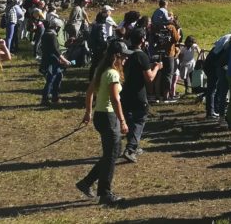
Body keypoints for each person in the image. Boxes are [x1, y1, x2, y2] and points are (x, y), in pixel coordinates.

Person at [77, 41, 132, 206]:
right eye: (123, 57)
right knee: (111, 154)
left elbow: (89, 92)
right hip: (109, 117)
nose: (125, 59)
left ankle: (87, 182)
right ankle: (105, 193)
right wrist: (122, 121)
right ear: (116, 57)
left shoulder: (100, 70)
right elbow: (115, 99)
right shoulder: (113, 74)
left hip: (100, 116)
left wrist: (88, 112)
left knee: (113, 153)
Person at [120, 28, 162, 162]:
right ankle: (130, 149)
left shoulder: (127, 54)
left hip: (125, 91)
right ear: (143, 40)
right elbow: (149, 78)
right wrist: (157, 67)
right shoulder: (141, 56)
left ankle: (133, 145)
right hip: (138, 93)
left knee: (130, 120)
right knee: (139, 120)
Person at [39, 22, 70, 105]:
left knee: (58, 76)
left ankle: (55, 97)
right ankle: (45, 99)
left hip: (50, 60)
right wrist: (64, 60)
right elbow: (56, 50)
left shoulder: (45, 34)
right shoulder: (52, 35)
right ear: (56, 27)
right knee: (51, 79)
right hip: (52, 61)